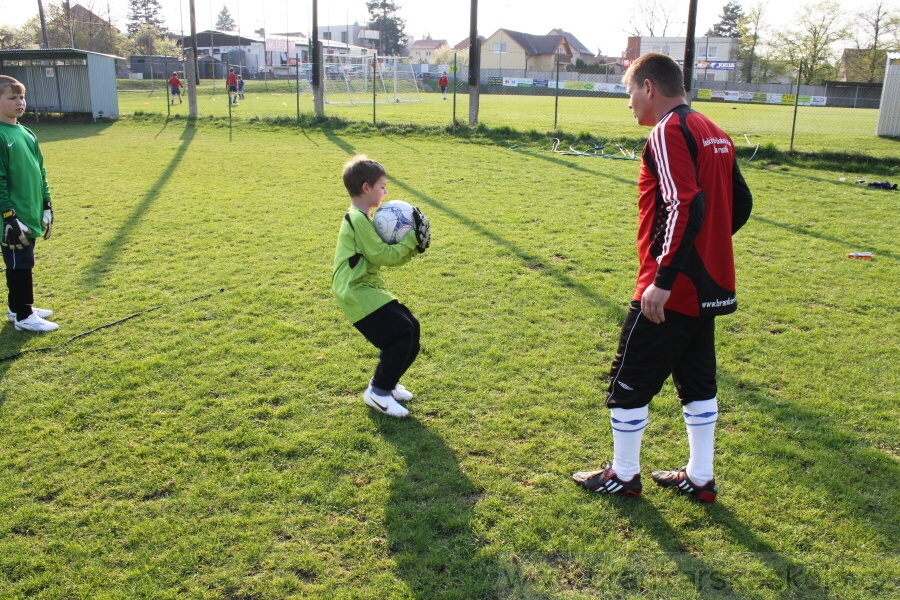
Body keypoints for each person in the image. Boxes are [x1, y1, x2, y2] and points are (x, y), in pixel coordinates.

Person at [572, 52, 752, 502]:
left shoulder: (669, 130)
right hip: (707, 284)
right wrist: (708, 248)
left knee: (627, 380)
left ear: (649, 87)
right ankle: (700, 476)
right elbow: (742, 202)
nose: (629, 102)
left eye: (630, 91)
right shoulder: (714, 130)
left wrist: (665, 279)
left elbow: (681, 204)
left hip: (671, 289)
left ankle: (624, 474)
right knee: (697, 382)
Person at [332, 155, 431, 418]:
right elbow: (382, 255)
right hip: (355, 290)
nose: (386, 192)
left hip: (368, 287)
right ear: (366, 187)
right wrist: (411, 239)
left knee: (411, 328)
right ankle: (378, 392)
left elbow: (387, 257)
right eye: (383, 187)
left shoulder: (366, 218)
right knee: (401, 334)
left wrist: (415, 248)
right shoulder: (356, 218)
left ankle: (388, 382)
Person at [0, 75, 58, 332]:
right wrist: (8, 216)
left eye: (22, 96)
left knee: (22, 261)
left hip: (31, 210)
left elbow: (40, 171)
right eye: (12, 97)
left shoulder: (26, 132)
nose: (20, 102)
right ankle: (25, 315)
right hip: (13, 216)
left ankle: (16, 308)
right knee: (20, 263)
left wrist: (46, 204)